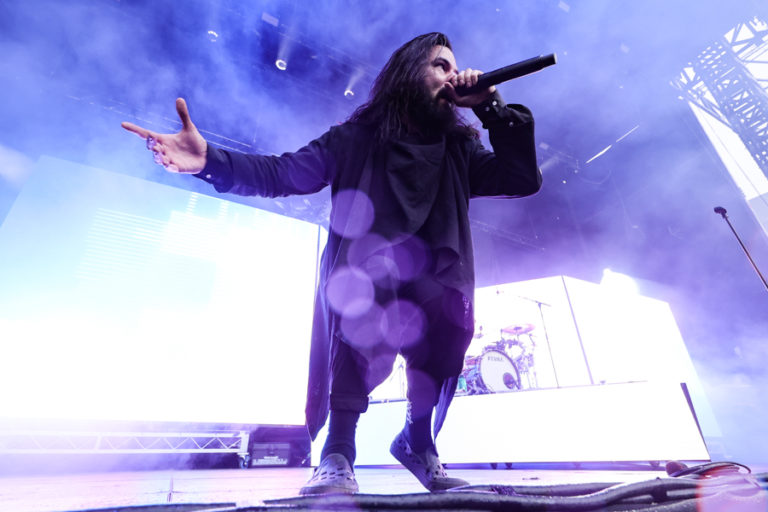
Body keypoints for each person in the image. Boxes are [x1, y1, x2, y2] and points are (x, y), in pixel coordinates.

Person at [122, 32, 541, 495]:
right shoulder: (356, 140)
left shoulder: (458, 149)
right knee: (363, 298)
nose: (452, 75)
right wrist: (208, 161)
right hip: (368, 273)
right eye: (440, 65)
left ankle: (418, 442)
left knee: (447, 319)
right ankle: (337, 452)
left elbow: (521, 178)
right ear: (408, 72)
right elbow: (283, 173)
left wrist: (491, 106)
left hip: (436, 276)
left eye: (455, 68)